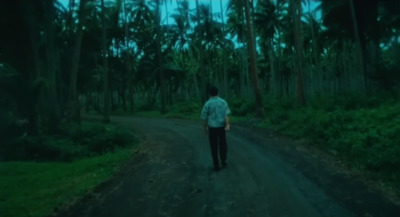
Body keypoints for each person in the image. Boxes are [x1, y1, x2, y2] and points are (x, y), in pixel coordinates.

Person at [200, 86, 231, 171]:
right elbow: (226, 115)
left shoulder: (207, 104)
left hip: (212, 128)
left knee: (213, 146)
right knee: (223, 144)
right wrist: (227, 125)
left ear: (210, 94)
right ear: (218, 92)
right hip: (221, 127)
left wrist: (204, 127)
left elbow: (205, 117)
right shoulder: (223, 102)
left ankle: (216, 164)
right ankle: (223, 160)